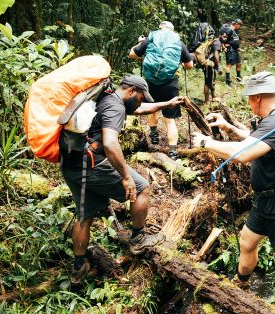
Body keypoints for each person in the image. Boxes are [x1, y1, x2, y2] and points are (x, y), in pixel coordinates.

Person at [191, 72, 275, 285]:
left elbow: (243, 154)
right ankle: (240, 285)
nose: (249, 102)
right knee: (247, 242)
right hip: (265, 202)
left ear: (256, 97)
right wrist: (230, 128)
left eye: (249, 97)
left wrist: (205, 143)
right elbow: (259, 140)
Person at [60, 75, 184, 285]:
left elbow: (141, 109)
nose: (140, 101)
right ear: (131, 91)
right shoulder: (115, 107)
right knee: (142, 187)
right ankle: (138, 238)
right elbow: (109, 143)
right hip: (94, 164)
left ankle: (79, 267)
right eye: (140, 97)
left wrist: (168, 103)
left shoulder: (105, 98)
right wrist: (126, 177)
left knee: (84, 216)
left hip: (72, 164)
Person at [129, 21, 194, 160]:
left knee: (152, 108)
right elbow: (190, 65)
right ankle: (173, 151)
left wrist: (140, 43)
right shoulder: (178, 43)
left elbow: (132, 54)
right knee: (170, 120)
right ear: (172, 31)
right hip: (170, 84)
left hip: (150, 82)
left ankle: (153, 136)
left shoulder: (150, 39)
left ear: (160, 29)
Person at [218, 19, 243, 85]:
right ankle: (228, 81)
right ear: (236, 24)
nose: (239, 27)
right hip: (230, 50)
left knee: (239, 63)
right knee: (229, 65)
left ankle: (238, 77)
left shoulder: (234, 31)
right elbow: (222, 38)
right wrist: (223, 46)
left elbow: (232, 40)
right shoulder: (229, 29)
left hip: (235, 49)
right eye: (239, 25)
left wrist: (238, 48)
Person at [202, 30, 222, 105]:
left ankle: (214, 96)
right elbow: (216, 55)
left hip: (209, 64)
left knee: (211, 81)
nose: (225, 37)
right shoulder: (217, 42)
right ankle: (206, 101)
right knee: (207, 82)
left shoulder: (213, 41)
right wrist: (219, 67)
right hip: (209, 65)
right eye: (223, 36)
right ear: (219, 35)